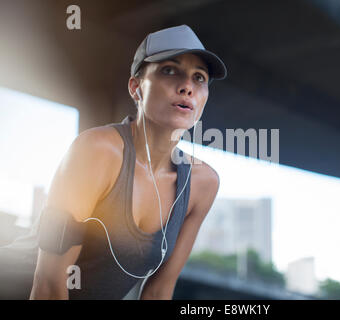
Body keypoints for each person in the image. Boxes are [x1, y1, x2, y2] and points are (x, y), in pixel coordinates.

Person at [0, 24, 227, 300]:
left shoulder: (202, 184)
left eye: (199, 78)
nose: (187, 87)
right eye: (169, 70)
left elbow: (158, 292)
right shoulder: (97, 151)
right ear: (136, 88)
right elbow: (48, 283)